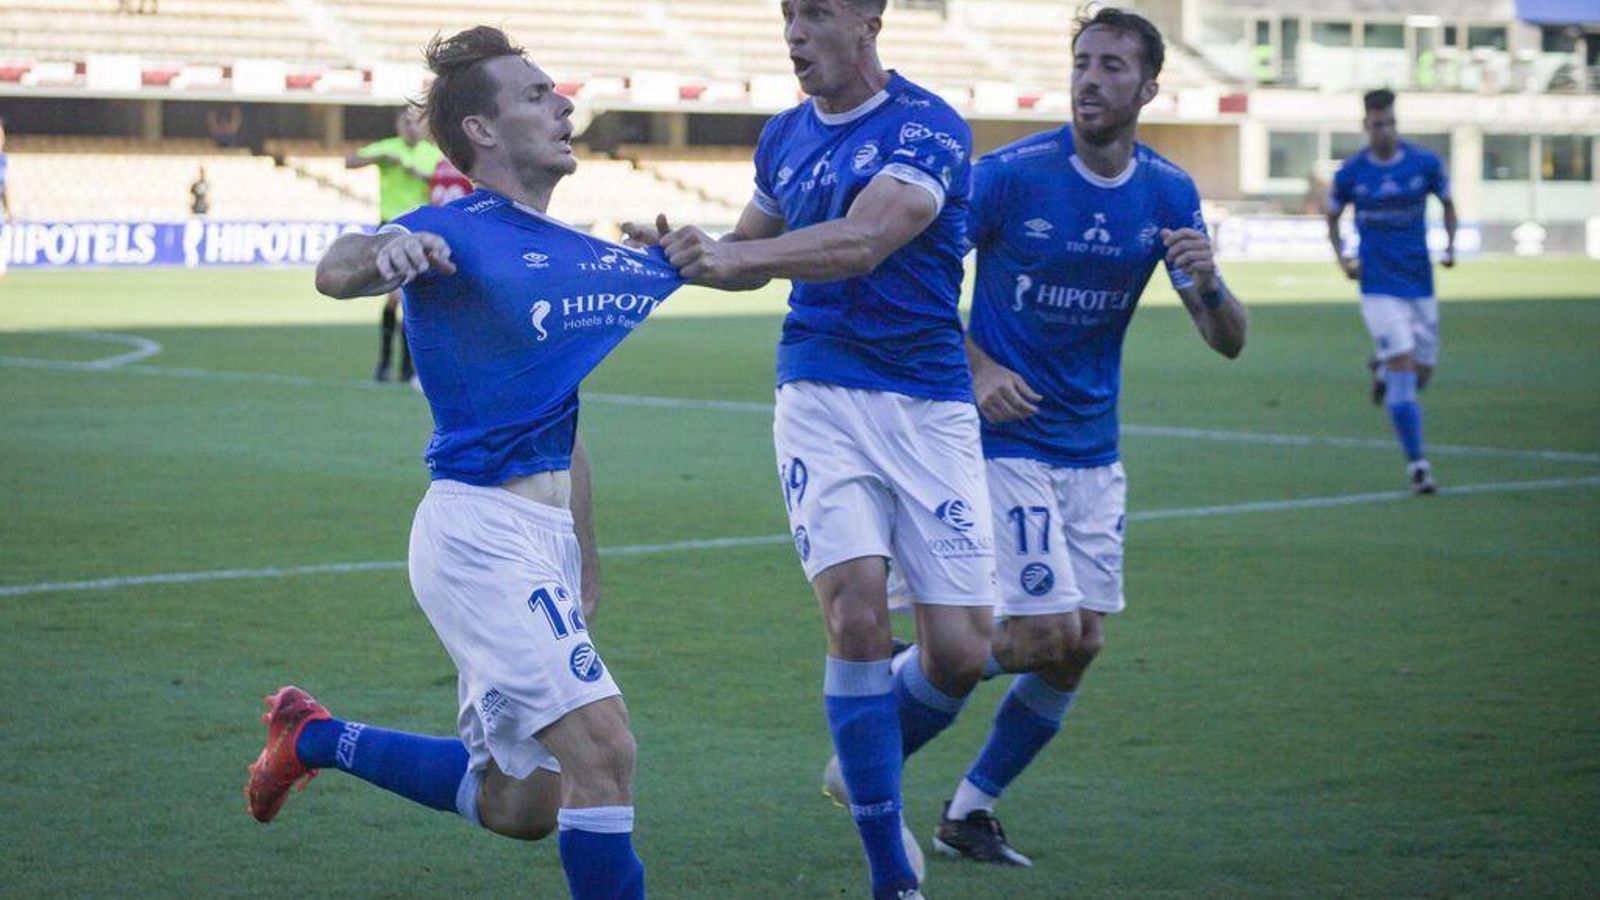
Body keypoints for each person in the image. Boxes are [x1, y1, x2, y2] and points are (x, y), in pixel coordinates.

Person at [247, 27, 683, 900]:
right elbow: (336, 270)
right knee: (606, 749)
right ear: (482, 131)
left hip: (541, 540)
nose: (562, 105)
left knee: (526, 803)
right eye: (536, 95)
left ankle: (311, 739)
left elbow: (562, 415)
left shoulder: (556, 248)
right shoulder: (453, 225)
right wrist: (384, 254)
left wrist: (584, 558)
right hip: (479, 534)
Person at [625, 2, 986, 897]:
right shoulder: (783, 135)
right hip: (819, 391)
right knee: (857, 614)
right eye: (787, 14)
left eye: (815, 12)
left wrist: (738, 259)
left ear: (868, 18)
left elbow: (864, 240)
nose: (794, 32)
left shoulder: (928, 126)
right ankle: (886, 872)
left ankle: (860, 764)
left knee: (963, 651)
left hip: (930, 402)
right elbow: (748, 247)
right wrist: (686, 251)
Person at [910, 7, 1248, 867]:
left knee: (1080, 646)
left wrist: (1209, 286)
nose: (1090, 80)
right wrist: (981, 371)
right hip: (1008, 440)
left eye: (1109, 67)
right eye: (1082, 63)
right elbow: (915, 281)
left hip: (1094, 450)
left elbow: (1229, 340)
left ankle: (968, 811)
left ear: (1148, 87)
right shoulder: (1012, 176)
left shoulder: (1168, 192)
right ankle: (880, 705)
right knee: (1040, 634)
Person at [1326, 88, 1456, 495]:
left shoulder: (1424, 163)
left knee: (1421, 375)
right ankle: (1419, 466)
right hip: (1378, 286)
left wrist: (1450, 245)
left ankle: (1382, 368)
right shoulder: (1351, 172)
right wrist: (1343, 259)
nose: (1384, 130)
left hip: (1419, 283)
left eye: (1390, 123)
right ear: (1366, 125)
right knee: (1403, 369)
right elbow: (1331, 216)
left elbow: (1449, 203)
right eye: (1377, 124)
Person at [348, 107, 444, 384]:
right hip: (389, 229)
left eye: (417, 124)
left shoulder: (433, 155)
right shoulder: (389, 148)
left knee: (406, 296)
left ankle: (403, 365)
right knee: (396, 298)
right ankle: (389, 362)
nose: (412, 129)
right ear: (399, 125)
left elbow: (445, 184)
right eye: (407, 123)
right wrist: (381, 157)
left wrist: (419, 175)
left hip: (421, 231)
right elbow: (350, 160)